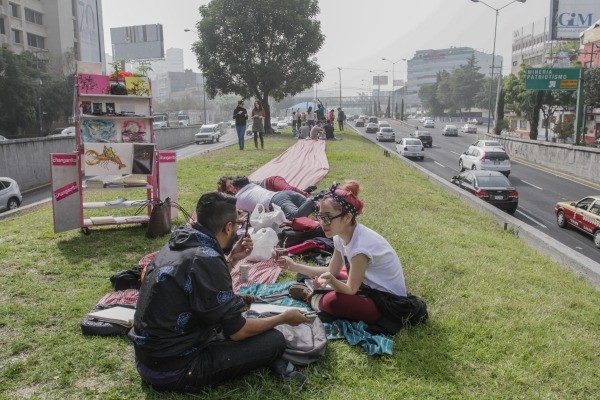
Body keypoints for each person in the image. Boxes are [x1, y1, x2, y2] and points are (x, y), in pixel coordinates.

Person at [129, 192, 308, 393]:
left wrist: (232, 260)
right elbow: (239, 332)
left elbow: (200, 287)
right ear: (228, 227)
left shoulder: (178, 242)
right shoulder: (206, 259)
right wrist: (283, 318)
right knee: (274, 340)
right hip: (175, 369)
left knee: (240, 315)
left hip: (150, 360)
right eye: (238, 225)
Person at [276, 181, 422, 329]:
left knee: (332, 301)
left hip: (387, 303)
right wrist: (294, 266)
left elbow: (350, 290)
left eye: (327, 217)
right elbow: (331, 270)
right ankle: (316, 296)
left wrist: (331, 281)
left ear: (347, 217)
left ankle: (311, 297)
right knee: (315, 276)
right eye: (319, 216)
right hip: (367, 288)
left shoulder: (360, 248)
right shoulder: (340, 236)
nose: (322, 223)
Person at [231, 176, 315, 220]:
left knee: (296, 217)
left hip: (275, 201)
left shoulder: (238, 199)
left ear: (236, 188)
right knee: (314, 208)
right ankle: (320, 199)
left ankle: (316, 199)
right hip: (284, 193)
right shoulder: (253, 186)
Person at [217, 175, 317, 198]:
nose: (232, 187)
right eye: (229, 187)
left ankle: (308, 196)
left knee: (289, 190)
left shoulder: (242, 182)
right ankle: (304, 191)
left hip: (272, 182)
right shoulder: (237, 197)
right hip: (273, 195)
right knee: (288, 195)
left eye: (231, 183)